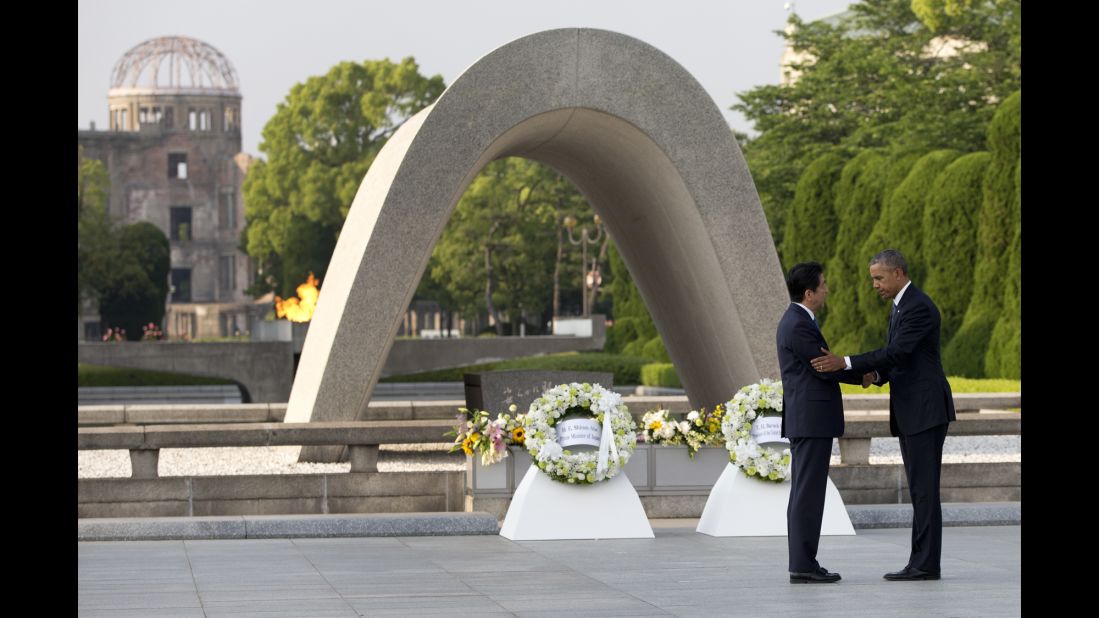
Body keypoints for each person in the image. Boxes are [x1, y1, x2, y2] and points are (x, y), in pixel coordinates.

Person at [811, 249, 956, 581]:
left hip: (925, 409)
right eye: (872, 278)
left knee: (924, 489)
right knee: (921, 488)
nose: (874, 284)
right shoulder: (900, 306)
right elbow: (902, 360)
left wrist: (845, 362)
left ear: (899, 273)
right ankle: (921, 562)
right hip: (913, 409)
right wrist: (876, 376)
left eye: (878, 277)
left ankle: (924, 565)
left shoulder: (918, 306)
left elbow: (897, 351)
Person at [777, 261, 866, 584]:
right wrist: (866, 374)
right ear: (810, 292)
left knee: (806, 492)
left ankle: (804, 562)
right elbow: (824, 366)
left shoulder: (798, 320)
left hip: (808, 420)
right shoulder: (799, 324)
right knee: (808, 494)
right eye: (823, 285)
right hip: (811, 420)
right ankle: (802, 565)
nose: (828, 289)